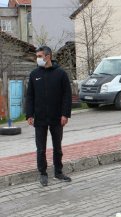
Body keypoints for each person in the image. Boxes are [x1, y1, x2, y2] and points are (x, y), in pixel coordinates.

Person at [25, 46, 72, 186]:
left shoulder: (61, 74)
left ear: (48, 56)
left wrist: (65, 114)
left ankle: (58, 172)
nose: (37, 59)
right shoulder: (34, 74)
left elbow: (67, 96)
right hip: (39, 118)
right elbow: (30, 96)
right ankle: (43, 173)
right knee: (41, 148)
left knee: (57, 147)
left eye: (39, 56)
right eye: (37, 56)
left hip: (57, 117)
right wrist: (29, 114)